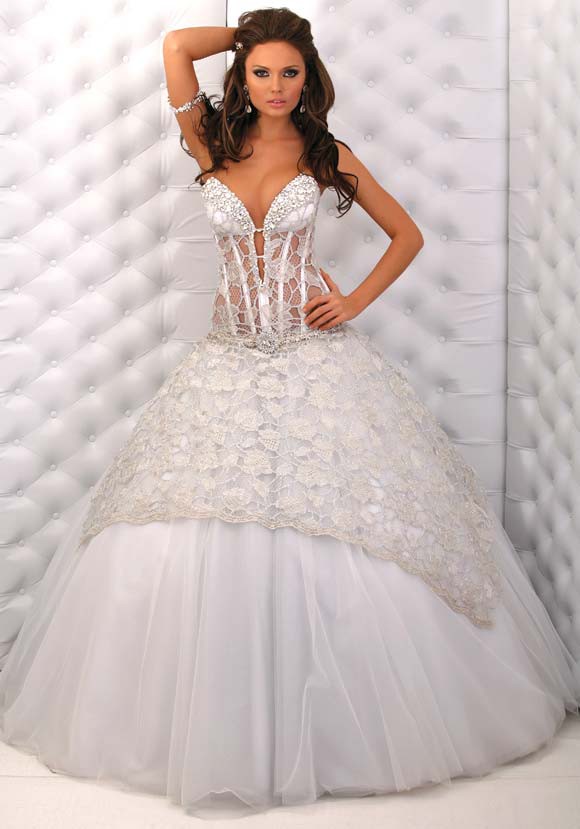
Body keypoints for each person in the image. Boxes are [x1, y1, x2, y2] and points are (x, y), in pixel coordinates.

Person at [0, 7, 579, 821]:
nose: (276, 86)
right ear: (243, 77)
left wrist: (353, 300)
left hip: (313, 355)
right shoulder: (210, 142)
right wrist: (246, 35)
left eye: (291, 72)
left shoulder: (325, 154)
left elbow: (407, 234)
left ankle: (341, 727)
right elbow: (175, 47)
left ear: (311, 80)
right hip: (227, 355)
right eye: (262, 72)